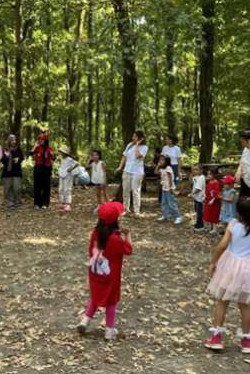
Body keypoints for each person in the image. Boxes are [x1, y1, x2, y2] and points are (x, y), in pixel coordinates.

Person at [204, 196, 250, 354]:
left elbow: (222, 245)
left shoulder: (233, 225)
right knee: (244, 305)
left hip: (230, 266)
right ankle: (246, 341)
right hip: (248, 267)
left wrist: (213, 261)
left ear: (238, 212)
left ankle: (216, 337)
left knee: (222, 301)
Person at [76, 202, 133, 341]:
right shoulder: (115, 239)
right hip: (110, 277)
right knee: (111, 302)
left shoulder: (95, 233)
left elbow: (93, 249)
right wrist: (127, 235)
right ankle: (109, 331)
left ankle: (84, 321)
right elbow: (128, 250)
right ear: (115, 221)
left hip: (95, 273)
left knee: (96, 296)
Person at [116, 130, 148, 217]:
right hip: (127, 170)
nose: (132, 138)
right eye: (133, 136)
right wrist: (120, 167)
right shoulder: (129, 145)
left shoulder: (144, 147)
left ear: (140, 138)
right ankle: (126, 209)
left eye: (135, 136)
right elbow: (124, 156)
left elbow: (138, 156)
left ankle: (137, 211)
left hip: (137, 172)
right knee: (126, 190)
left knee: (136, 191)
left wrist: (137, 144)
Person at [157, 155, 183, 224]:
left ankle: (178, 216)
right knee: (164, 202)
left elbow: (170, 178)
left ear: (166, 161)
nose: (160, 161)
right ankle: (165, 215)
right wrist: (158, 165)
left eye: (162, 160)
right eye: (160, 160)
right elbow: (155, 172)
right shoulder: (162, 168)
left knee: (171, 203)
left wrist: (171, 188)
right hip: (164, 187)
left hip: (169, 188)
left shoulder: (168, 168)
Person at [32, 132, 54, 209]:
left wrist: (52, 154)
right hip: (38, 168)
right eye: (39, 139)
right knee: (37, 186)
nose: (40, 141)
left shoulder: (49, 148)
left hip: (47, 169)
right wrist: (35, 145)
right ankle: (37, 203)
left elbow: (53, 158)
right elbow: (31, 153)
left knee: (46, 187)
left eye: (42, 139)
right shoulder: (37, 148)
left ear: (46, 140)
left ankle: (45, 203)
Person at [1, 134, 24, 208]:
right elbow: (2, 160)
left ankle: (17, 201)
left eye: (14, 140)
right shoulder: (5, 149)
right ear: (9, 141)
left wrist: (18, 159)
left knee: (17, 187)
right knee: (8, 188)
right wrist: (7, 157)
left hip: (16, 171)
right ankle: (10, 203)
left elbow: (22, 157)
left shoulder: (18, 149)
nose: (14, 142)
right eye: (12, 140)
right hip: (7, 172)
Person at [58, 145, 79, 212]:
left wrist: (71, 169)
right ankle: (63, 202)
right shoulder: (61, 159)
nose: (61, 153)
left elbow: (76, 164)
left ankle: (68, 204)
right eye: (60, 151)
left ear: (65, 152)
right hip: (62, 174)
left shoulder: (69, 159)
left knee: (67, 189)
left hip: (68, 175)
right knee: (61, 188)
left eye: (62, 152)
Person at [204, 169, 221, 234]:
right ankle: (209, 226)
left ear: (214, 175)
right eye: (207, 174)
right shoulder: (209, 182)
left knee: (214, 214)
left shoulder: (216, 182)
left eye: (210, 174)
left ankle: (214, 228)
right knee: (208, 213)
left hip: (214, 202)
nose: (208, 175)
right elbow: (207, 191)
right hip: (208, 200)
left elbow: (217, 192)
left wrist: (212, 200)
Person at [191, 164, 206, 231]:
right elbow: (191, 181)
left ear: (201, 170)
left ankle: (200, 226)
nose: (195, 171)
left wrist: (192, 193)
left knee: (199, 212)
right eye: (194, 169)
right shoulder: (197, 177)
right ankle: (198, 223)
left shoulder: (201, 178)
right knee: (197, 211)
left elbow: (198, 189)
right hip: (196, 198)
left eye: (197, 169)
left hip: (200, 198)